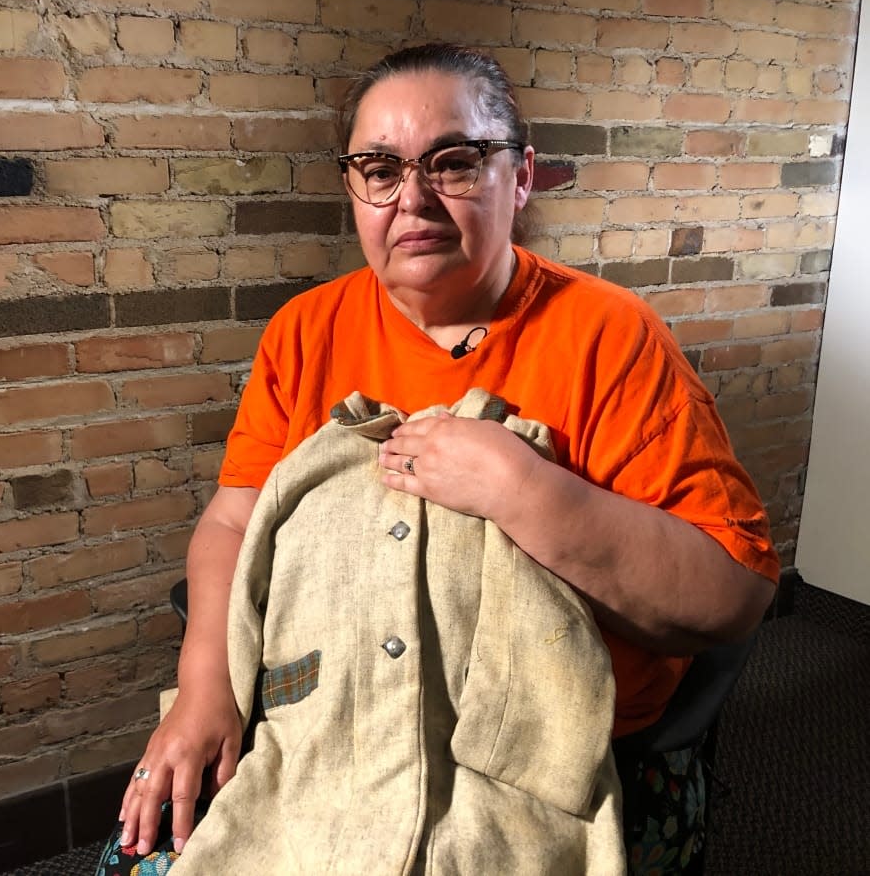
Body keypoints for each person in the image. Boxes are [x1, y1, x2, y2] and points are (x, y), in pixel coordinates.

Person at [117, 43, 779, 873]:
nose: (414, 199)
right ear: (353, 185)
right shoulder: (305, 329)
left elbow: (733, 594)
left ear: (522, 175)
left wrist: (525, 490)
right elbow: (232, 518)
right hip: (337, 723)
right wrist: (205, 684)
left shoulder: (612, 338)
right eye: (380, 168)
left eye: (455, 163)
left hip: (547, 755)